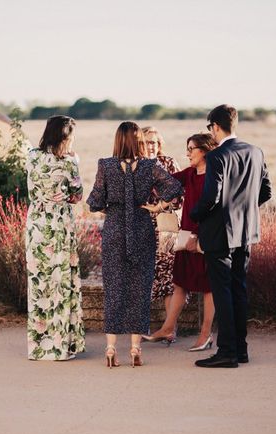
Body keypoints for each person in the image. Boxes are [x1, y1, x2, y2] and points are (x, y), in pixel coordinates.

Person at [87, 121, 183, 368]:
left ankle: (110, 349)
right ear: (138, 141)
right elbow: (175, 187)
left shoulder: (105, 165)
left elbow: (94, 202)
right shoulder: (150, 166)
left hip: (115, 230)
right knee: (140, 290)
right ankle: (135, 348)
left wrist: (111, 206)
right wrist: (158, 206)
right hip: (142, 228)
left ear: (117, 140)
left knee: (114, 288)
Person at [190, 105, 272, 368]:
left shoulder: (217, 157)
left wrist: (194, 214)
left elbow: (211, 198)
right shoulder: (255, 152)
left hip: (219, 234)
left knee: (222, 292)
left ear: (215, 126)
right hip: (246, 233)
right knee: (238, 290)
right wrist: (243, 211)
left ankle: (226, 352)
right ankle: (240, 349)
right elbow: (266, 191)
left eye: (209, 128)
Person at [142, 133, 218, 351]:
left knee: (208, 288)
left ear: (204, 150)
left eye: (191, 149)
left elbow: (215, 210)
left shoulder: (214, 177)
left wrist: (199, 237)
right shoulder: (191, 173)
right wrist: (158, 206)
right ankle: (167, 327)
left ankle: (205, 335)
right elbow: (167, 184)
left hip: (204, 239)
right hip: (186, 237)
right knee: (180, 282)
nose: (187, 153)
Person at [25, 115, 85, 361]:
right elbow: (77, 195)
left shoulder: (31, 156)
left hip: (36, 224)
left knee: (39, 284)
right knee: (61, 283)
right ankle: (61, 347)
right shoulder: (70, 163)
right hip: (58, 226)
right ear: (64, 137)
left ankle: (39, 348)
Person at [141, 126, 182, 340]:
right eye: (146, 142)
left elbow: (180, 194)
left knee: (168, 277)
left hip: (166, 227)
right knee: (142, 276)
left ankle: (170, 329)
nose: (150, 146)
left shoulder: (169, 163)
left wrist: (161, 204)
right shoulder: (134, 165)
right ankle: (139, 329)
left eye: (154, 142)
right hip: (141, 227)